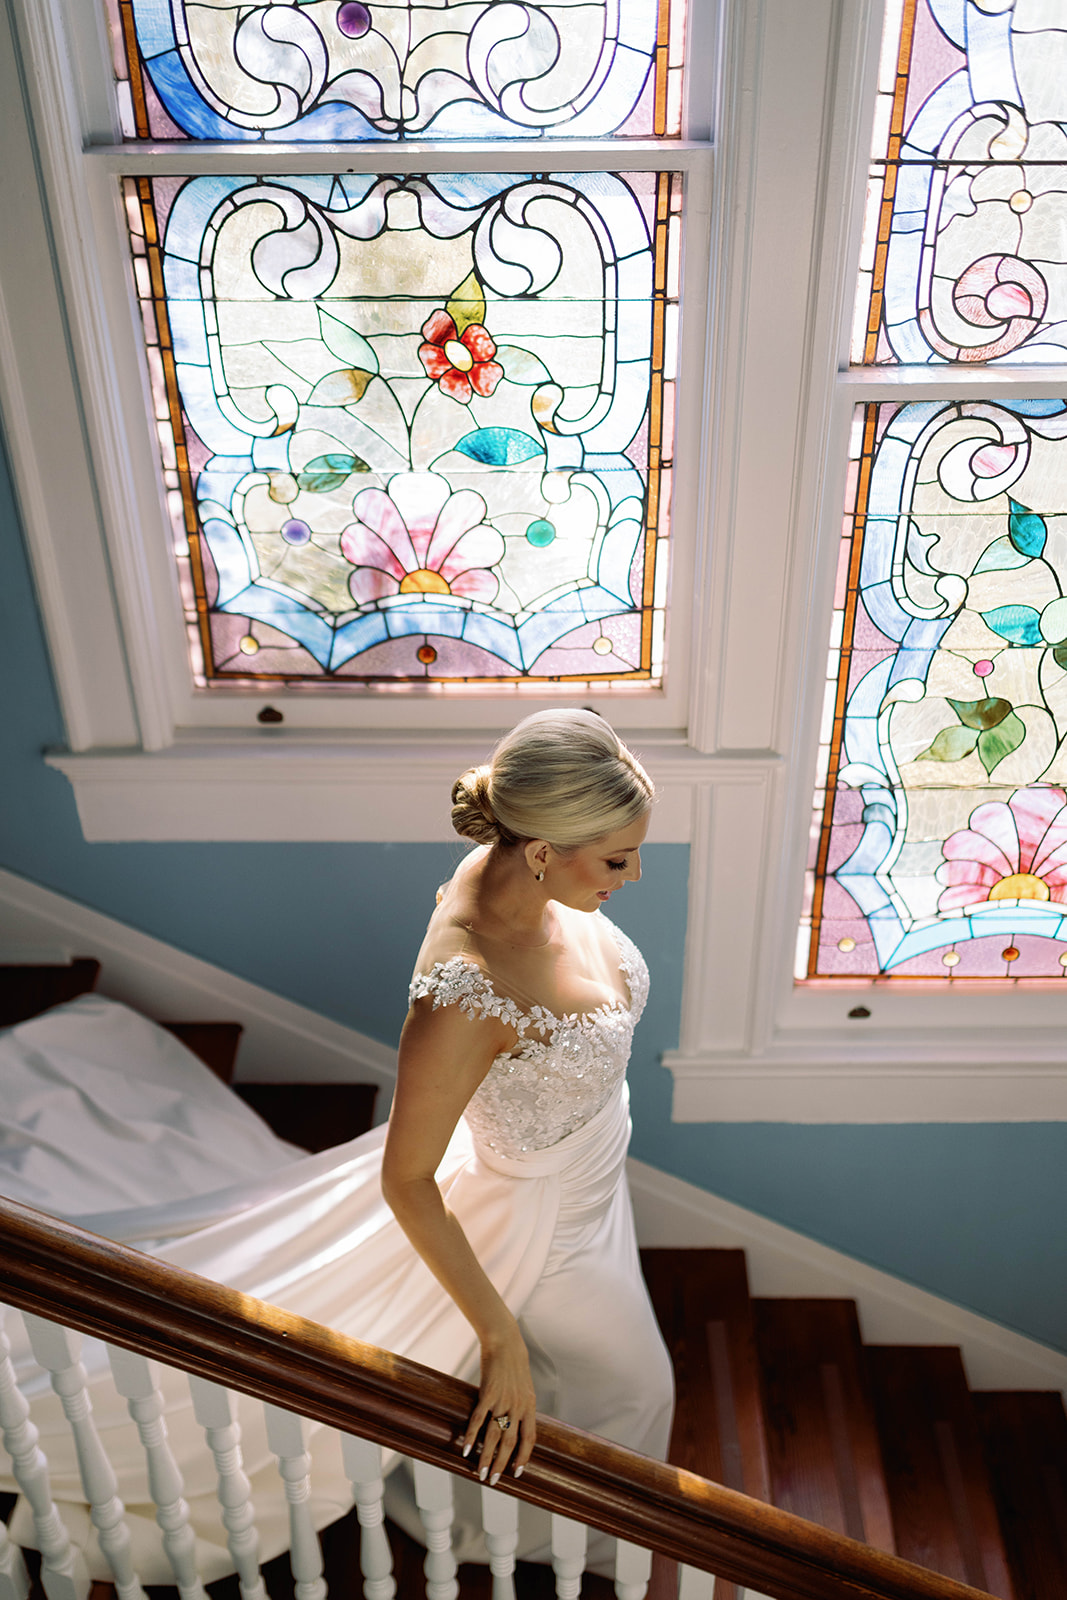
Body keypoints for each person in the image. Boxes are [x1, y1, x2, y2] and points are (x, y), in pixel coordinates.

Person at [381, 708, 675, 1516]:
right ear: (544, 852)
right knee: (640, 1389)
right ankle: (539, 1538)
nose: (636, 875)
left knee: (585, 1385)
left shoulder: (504, 857)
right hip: (546, 1231)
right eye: (618, 858)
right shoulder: (466, 993)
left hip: (594, 1182)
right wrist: (497, 1338)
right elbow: (404, 1180)